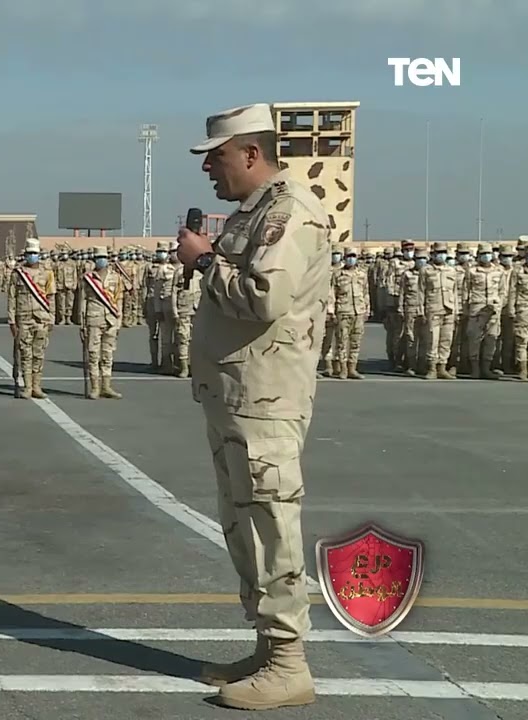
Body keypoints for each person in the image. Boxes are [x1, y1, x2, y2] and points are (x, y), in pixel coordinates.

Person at [175, 103, 330, 711]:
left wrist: (205, 262)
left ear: (250, 152)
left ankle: (289, 663)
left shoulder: (289, 211)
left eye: (215, 155)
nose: (209, 167)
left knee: (269, 523)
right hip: (238, 397)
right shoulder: (257, 212)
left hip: (264, 400)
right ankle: (269, 650)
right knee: (245, 525)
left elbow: (265, 298)